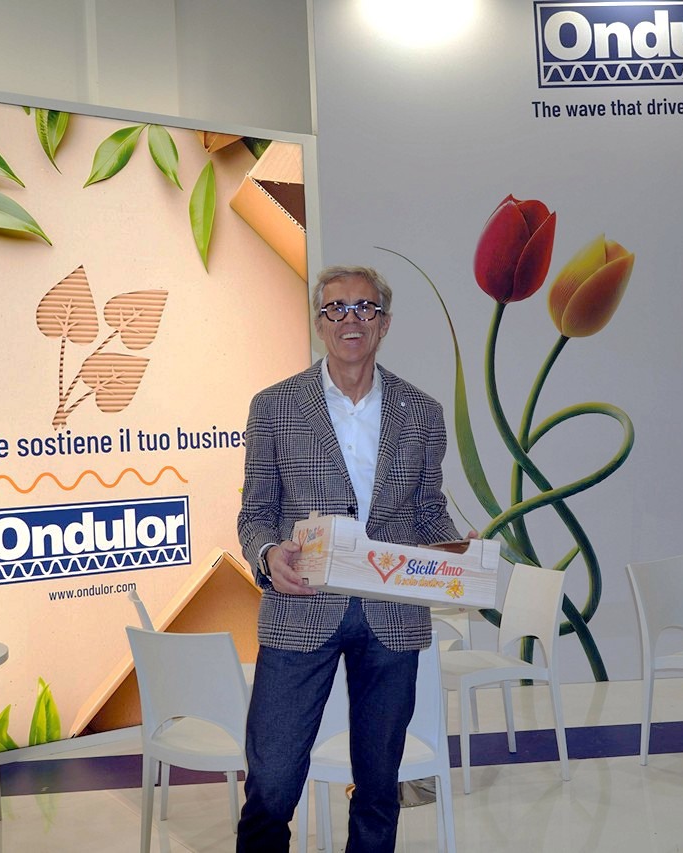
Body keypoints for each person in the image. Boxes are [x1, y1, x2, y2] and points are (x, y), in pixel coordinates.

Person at [235, 265, 463, 852]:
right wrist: (267, 555)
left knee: (379, 788)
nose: (350, 319)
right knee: (271, 785)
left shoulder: (422, 411)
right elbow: (254, 513)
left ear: (384, 324)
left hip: (392, 614)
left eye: (365, 307)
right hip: (300, 608)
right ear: (319, 324)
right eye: (336, 308)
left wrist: (458, 554)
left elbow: (427, 510)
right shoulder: (274, 406)